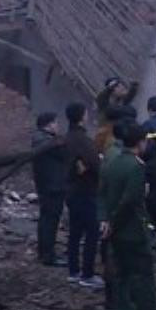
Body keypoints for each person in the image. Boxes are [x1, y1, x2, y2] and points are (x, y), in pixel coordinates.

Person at [99, 121, 156, 310]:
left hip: (115, 230)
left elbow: (102, 193)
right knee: (143, 277)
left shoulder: (112, 163)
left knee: (121, 275)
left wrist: (105, 221)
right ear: (141, 142)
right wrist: (113, 223)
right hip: (133, 230)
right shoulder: (137, 167)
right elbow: (130, 201)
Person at [64, 102, 102, 287]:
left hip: (71, 190)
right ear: (81, 116)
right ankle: (87, 273)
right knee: (92, 232)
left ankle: (73, 270)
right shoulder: (83, 140)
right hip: (86, 190)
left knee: (75, 232)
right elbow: (94, 164)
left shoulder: (67, 137)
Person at [31, 112, 70, 267]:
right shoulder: (48, 143)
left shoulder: (38, 139)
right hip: (53, 186)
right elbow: (65, 155)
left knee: (45, 219)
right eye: (55, 123)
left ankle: (44, 252)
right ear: (48, 125)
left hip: (45, 185)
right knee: (50, 221)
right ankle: (48, 255)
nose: (57, 126)